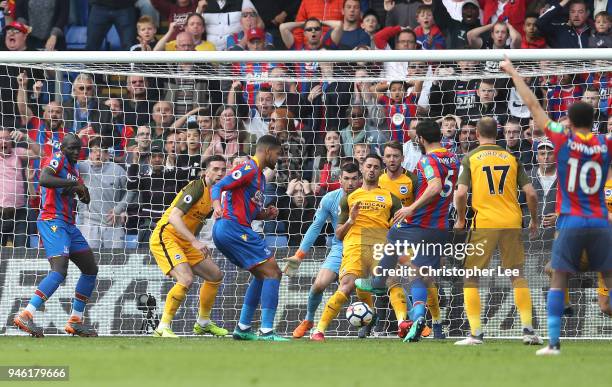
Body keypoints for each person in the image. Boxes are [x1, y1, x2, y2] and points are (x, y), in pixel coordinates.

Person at [501, 57, 612, 356]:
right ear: (595, 118)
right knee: (610, 278)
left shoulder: (562, 138)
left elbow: (534, 106)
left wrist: (513, 72)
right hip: (602, 221)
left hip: (571, 219)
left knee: (559, 277)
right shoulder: (605, 143)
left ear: (570, 121)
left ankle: (552, 343)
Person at [356, 120, 460, 343]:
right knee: (419, 278)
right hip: (441, 226)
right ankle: (419, 318)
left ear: (421, 139)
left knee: (392, 234)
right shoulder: (453, 158)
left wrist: (410, 207)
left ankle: (377, 279)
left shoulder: (427, 161)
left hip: (419, 222)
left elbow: (434, 187)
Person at [453, 117, 542, 346]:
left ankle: (475, 334)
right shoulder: (512, 158)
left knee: (471, 277)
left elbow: (461, 194)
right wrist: (533, 220)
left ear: (476, 135)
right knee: (517, 275)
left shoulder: (470, 157)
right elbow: (531, 193)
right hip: (512, 221)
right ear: (499, 133)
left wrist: (462, 219)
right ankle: (528, 331)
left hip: (485, 222)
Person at [310, 153, 404, 341]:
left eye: (376, 167)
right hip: (354, 246)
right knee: (347, 285)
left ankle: (403, 323)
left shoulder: (392, 199)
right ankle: (319, 330)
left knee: (392, 281)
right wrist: (351, 220)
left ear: (381, 170)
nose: (371, 169)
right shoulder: (349, 199)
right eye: (368, 166)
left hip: (380, 246)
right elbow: (338, 234)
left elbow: (399, 228)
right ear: (362, 169)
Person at [13, 134, 98, 337]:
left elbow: (84, 199)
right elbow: (43, 178)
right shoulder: (57, 158)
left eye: (78, 148)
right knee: (59, 271)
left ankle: (75, 320)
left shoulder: (74, 169)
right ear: (63, 148)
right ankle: (26, 314)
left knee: (90, 269)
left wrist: (82, 191)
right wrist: (72, 185)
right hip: (52, 220)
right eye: (72, 148)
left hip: (69, 224)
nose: (76, 152)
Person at [211, 135, 288, 341]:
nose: (278, 158)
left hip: (232, 229)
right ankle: (266, 331)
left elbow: (250, 211)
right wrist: (217, 205)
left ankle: (244, 328)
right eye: (278, 154)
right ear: (268, 151)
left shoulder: (260, 178)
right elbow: (218, 186)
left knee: (262, 274)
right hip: (232, 227)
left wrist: (265, 214)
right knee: (274, 272)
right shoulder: (249, 168)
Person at [149, 155, 228, 338]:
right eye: (215, 169)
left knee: (215, 275)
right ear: (206, 171)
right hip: (166, 236)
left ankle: (203, 323)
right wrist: (195, 241)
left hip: (184, 241)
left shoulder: (215, 193)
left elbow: (196, 220)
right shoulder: (197, 187)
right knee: (186, 279)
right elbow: (174, 217)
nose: (219, 173)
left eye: (223, 170)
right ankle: (163, 326)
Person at [283, 162, 362, 338]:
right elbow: (315, 226)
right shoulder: (330, 199)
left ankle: (409, 319)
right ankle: (309, 320)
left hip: (365, 248)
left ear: (360, 180)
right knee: (319, 285)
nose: (350, 183)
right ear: (339, 179)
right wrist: (299, 255)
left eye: (354, 179)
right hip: (340, 248)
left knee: (387, 282)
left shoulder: (369, 198)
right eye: (346, 179)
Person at [77, 137, 128, 249]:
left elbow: (132, 191)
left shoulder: (118, 170)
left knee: (116, 263)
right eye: (94, 151)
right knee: (90, 262)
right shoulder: (81, 168)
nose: (97, 154)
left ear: (106, 154)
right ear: (90, 153)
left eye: (101, 151)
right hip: (90, 226)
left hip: (114, 224)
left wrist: (120, 209)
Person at [0, 127, 30, 247]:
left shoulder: (18, 152)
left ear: (11, 141)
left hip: (19, 213)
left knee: (22, 252)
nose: (4, 141)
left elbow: (40, 153)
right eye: (0, 139)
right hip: (0, 211)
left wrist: (26, 137)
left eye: (7, 138)